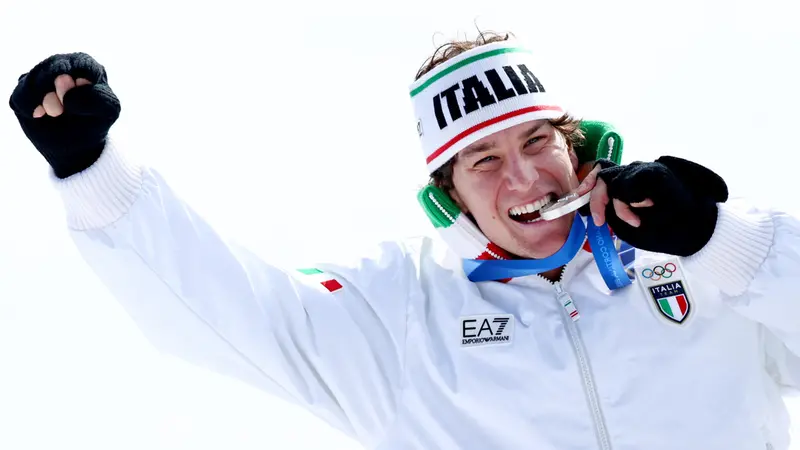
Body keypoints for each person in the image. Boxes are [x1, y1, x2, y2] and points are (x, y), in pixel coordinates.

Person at [8, 31, 800, 450]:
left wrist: (718, 237)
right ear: (446, 196)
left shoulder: (700, 256)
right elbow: (228, 308)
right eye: (483, 160)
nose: (522, 179)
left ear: (578, 141)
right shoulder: (403, 315)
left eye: (536, 142)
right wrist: (92, 170)